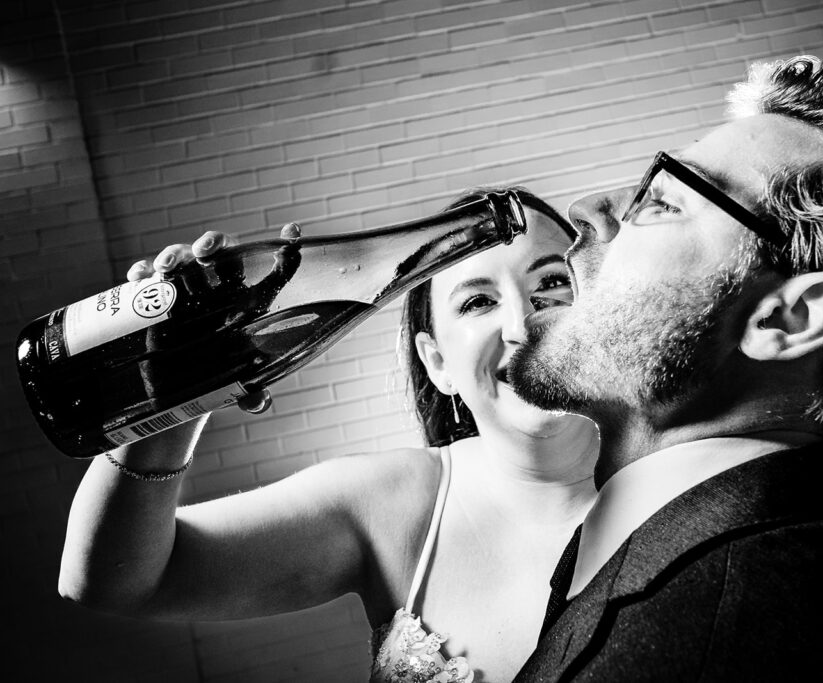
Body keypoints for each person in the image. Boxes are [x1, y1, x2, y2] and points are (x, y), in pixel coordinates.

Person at [507, 55, 823, 681]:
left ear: (789, 319)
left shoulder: (716, 639)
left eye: (665, 202)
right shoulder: (706, 557)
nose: (586, 210)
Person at [57, 189, 601, 683]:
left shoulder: (683, 482)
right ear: (437, 364)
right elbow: (114, 580)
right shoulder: (394, 503)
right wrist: (180, 397)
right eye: (478, 301)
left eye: (552, 282)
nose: (523, 324)